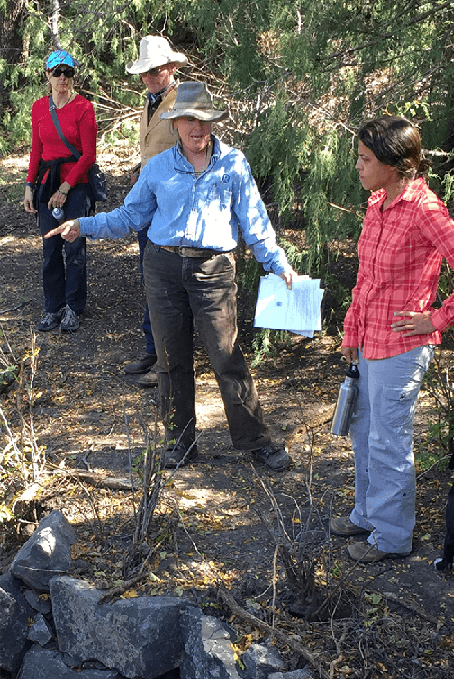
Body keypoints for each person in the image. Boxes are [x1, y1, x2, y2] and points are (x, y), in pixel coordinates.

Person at [47, 81, 296, 471]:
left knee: (226, 356)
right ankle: (180, 442)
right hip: (162, 268)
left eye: (204, 121)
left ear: (212, 123)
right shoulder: (159, 167)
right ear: (175, 123)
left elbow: (255, 222)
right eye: (189, 121)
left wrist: (278, 264)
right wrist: (85, 225)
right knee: (170, 359)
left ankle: (255, 440)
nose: (198, 128)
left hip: (214, 269)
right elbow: (130, 217)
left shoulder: (233, 163)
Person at [331, 116, 454, 563]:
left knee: (389, 442)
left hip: (401, 349)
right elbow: (366, 278)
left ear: (393, 164)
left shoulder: (425, 210)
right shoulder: (379, 202)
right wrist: (352, 330)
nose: (358, 167)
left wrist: (436, 319)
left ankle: (393, 537)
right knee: (364, 435)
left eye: (365, 159)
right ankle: (367, 514)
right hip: (369, 342)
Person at [123, 35, 188, 387]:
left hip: (172, 204)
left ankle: (168, 361)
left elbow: (193, 151)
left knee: (167, 283)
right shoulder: (149, 102)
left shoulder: (183, 100)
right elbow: (154, 149)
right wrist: (140, 169)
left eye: (156, 69)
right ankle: (154, 349)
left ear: (171, 68)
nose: (149, 75)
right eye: (145, 70)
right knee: (151, 278)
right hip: (148, 199)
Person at [23, 49, 97, 332]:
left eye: (68, 73)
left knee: (74, 245)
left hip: (76, 184)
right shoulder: (39, 108)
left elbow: (88, 155)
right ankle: (52, 307)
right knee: (50, 248)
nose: (63, 78)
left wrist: (66, 188)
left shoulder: (83, 108)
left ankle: (73, 307)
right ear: (48, 76)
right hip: (46, 182)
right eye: (57, 72)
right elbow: (36, 151)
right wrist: (30, 185)